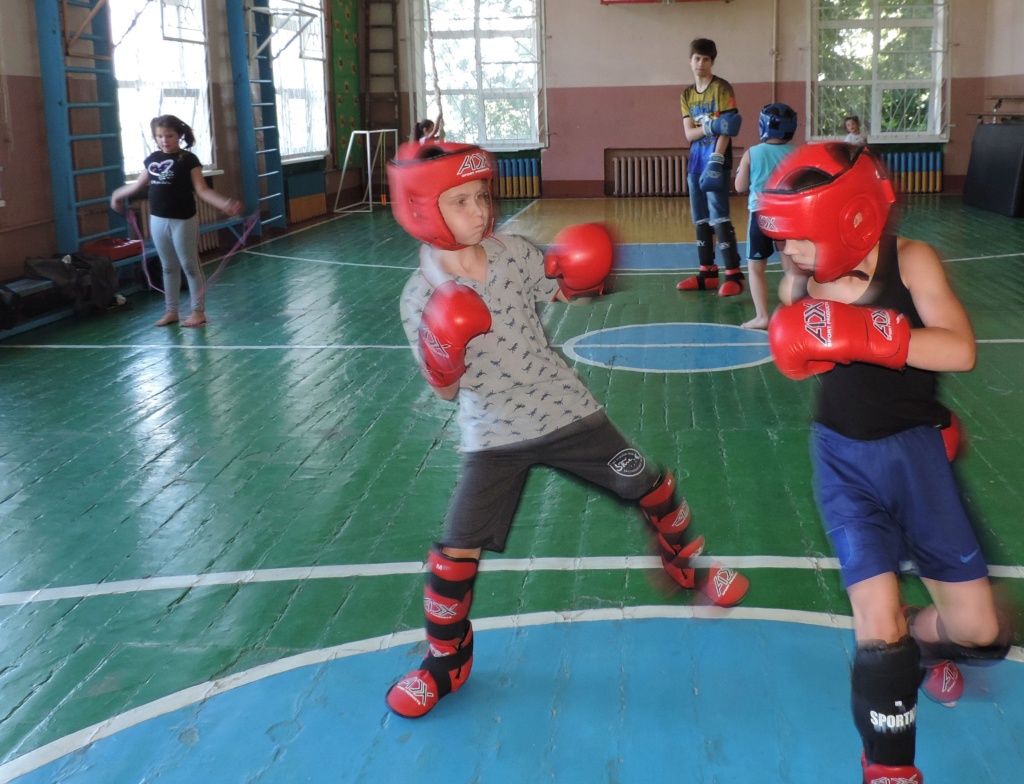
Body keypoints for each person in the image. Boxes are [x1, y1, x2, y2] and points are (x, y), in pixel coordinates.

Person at [384, 140, 749, 719]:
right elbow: (446, 390)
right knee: (455, 550)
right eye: (461, 202)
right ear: (423, 209)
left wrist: (579, 274)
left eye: (482, 196)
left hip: (563, 409)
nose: (480, 211)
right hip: (494, 433)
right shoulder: (418, 297)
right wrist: (443, 353)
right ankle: (445, 662)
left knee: (649, 486)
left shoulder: (511, 253)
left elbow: (558, 286)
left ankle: (687, 565)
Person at [758, 141, 1012, 783]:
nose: (788, 252)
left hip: (917, 459)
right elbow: (796, 348)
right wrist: (796, 316)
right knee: (877, 628)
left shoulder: (913, 261)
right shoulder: (807, 275)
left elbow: (960, 351)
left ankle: (922, 646)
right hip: (842, 460)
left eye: (798, 239)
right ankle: (889, 770)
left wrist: (871, 335)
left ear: (849, 220)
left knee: (982, 632)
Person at [110, 114, 242, 327]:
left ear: (179, 135)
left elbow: (202, 189)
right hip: (158, 220)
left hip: (183, 220)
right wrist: (118, 195)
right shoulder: (153, 159)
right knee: (168, 267)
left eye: (169, 135)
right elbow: (136, 186)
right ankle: (171, 311)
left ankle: (198, 312)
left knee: (190, 266)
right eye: (159, 136)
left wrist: (225, 204)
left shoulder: (188, 160)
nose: (164, 140)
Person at [676, 38, 745, 297]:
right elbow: (688, 134)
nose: (701, 63)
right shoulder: (686, 94)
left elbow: (728, 128)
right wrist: (710, 127)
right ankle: (707, 273)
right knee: (700, 217)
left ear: (712, 62)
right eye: (697, 58)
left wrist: (717, 157)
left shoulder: (722, 88)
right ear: (690, 60)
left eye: (706, 59)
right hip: (695, 159)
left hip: (716, 157)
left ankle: (734, 275)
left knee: (719, 214)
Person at [733, 103, 798, 330]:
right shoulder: (797, 153)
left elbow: (740, 186)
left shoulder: (753, 152)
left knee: (755, 268)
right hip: (788, 216)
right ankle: (796, 314)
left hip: (760, 215)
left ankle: (762, 317)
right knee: (791, 268)